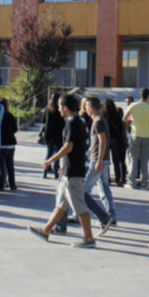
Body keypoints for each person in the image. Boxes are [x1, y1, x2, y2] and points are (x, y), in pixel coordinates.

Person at [28, 93, 96, 248]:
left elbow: (68, 147)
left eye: (59, 106)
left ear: (65, 107)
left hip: (73, 173)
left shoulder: (73, 123)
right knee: (61, 205)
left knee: (79, 207)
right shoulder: (77, 122)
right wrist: (63, 163)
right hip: (69, 170)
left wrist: (50, 160)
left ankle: (89, 239)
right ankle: (45, 230)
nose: (58, 109)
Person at [83, 97, 117, 230]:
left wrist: (98, 160)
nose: (85, 109)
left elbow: (103, 141)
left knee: (83, 190)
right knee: (104, 188)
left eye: (86, 107)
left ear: (91, 108)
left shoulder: (97, 121)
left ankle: (103, 217)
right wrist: (92, 148)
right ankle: (111, 216)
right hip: (102, 159)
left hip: (98, 160)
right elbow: (99, 141)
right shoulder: (101, 120)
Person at [123, 87, 149, 189]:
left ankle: (131, 182)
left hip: (135, 134)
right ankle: (145, 183)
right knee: (144, 161)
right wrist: (147, 124)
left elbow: (124, 119)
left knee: (133, 159)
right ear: (148, 96)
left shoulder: (133, 106)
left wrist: (133, 121)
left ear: (140, 95)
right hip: (146, 135)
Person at [105, 98, 127, 186]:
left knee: (106, 160)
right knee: (116, 160)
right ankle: (118, 178)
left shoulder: (103, 115)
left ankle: (107, 178)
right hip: (115, 139)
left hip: (106, 138)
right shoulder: (117, 114)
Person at [42, 92, 64, 179]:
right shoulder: (59, 109)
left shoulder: (47, 109)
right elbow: (62, 123)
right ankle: (56, 172)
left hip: (48, 134)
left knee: (49, 153)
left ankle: (45, 171)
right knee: (57, 154)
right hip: (58, 134)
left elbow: (43, 121)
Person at [0, 97, 18, 191]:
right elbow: (15, 129)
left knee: (1, 166)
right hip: (10, 143)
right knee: (10, 165)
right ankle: (12, 184)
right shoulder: (10, 116)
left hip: (0, 143)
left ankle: (1, 184)